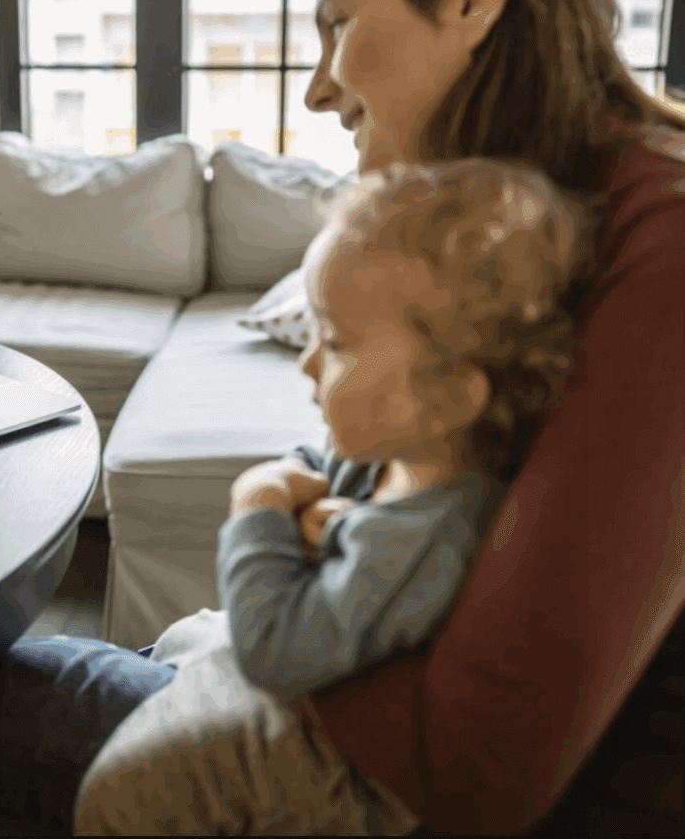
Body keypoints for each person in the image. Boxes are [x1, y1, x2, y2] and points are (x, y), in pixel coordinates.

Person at [0, 0, 685, 836]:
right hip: (380, 715)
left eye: (339, 25)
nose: (317, 89)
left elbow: (482, 762)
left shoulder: (661, 243)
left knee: (15, 706)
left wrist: (264, 636)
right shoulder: (519, 215)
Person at [72, 159, 592, 835]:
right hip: (281, 685)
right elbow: (316, 461)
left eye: (336, 342)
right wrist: (300, 487)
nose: (306, 361)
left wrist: (258, 506)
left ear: (452, 394)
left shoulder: (425, 537)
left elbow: (275, 655)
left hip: (319, 764)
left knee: (113, 800)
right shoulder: (400, 456)